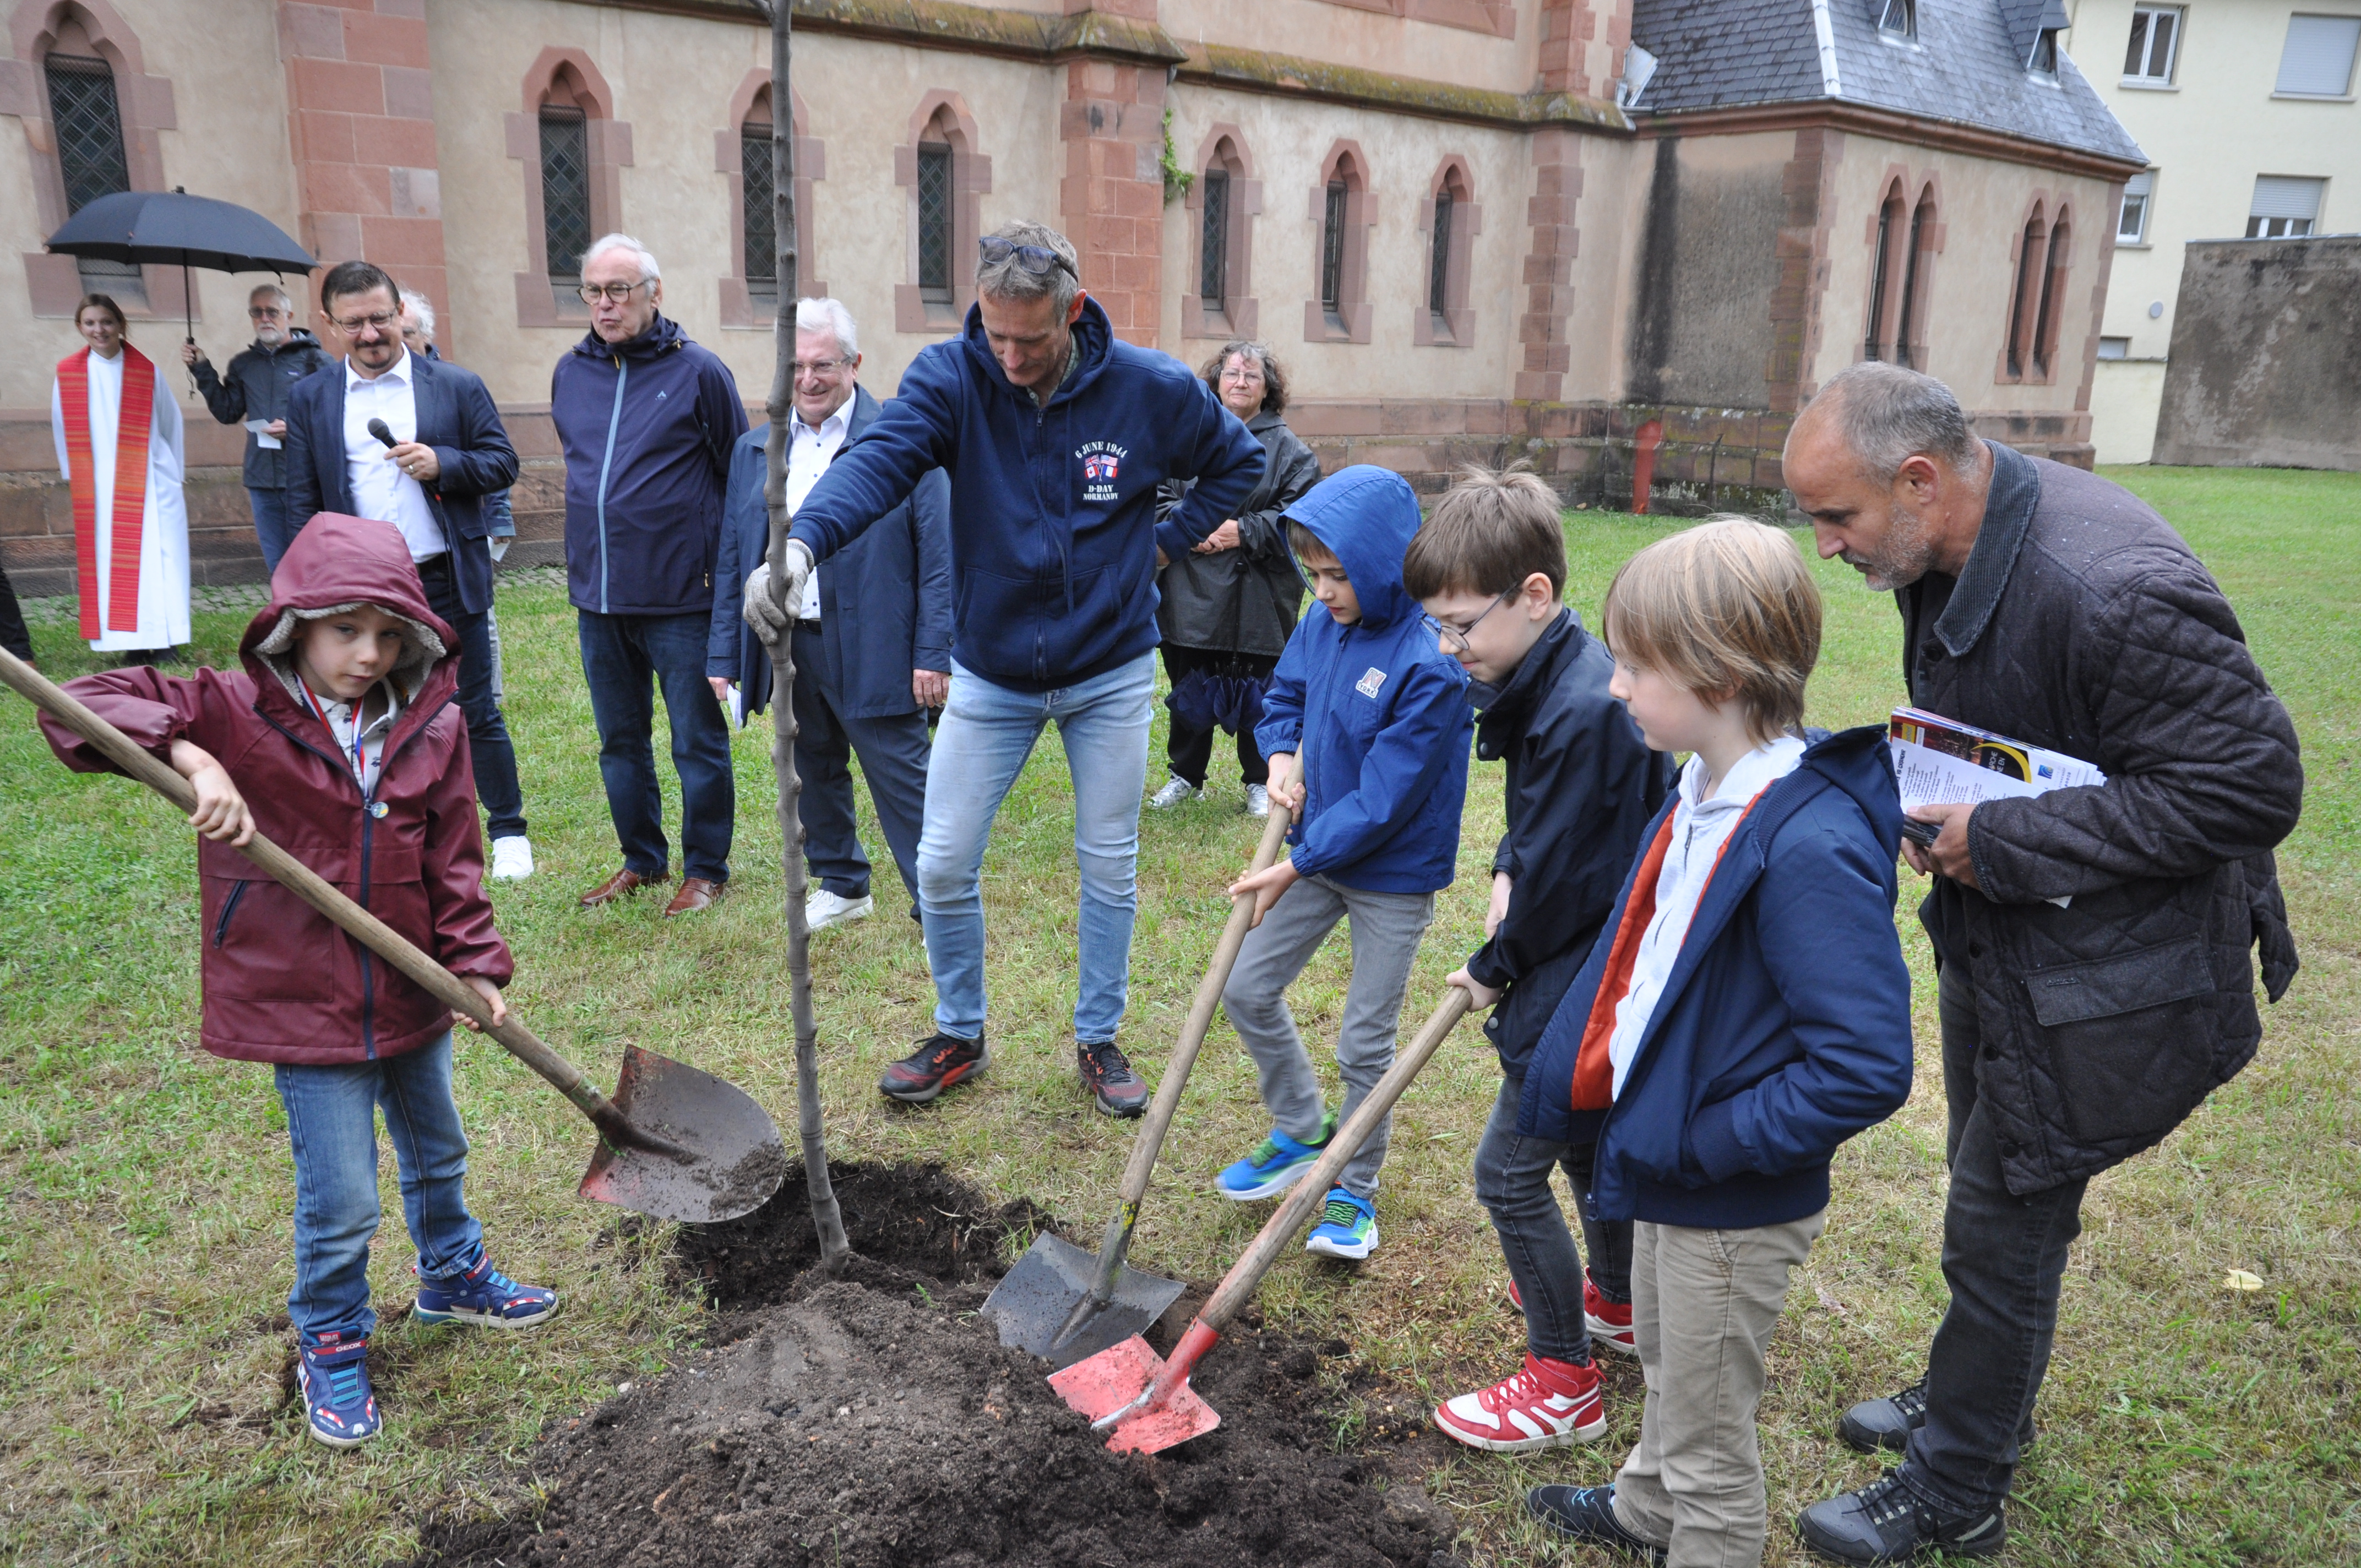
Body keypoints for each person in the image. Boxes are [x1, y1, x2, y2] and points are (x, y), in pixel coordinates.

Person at [1781, 363, 2304, 1563]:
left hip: (2101, 975)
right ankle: (1972, 1390)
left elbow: (2248, 786)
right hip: (2014, 941)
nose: (1823, 546)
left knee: (2001, 1216)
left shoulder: (2105, 588)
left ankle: (1958, 1479)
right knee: (1994, 1194)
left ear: (1919, 481)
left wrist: (2000, 836)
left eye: (1837, 518)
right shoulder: (1960, 540)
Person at [34, 513, 558, 1450]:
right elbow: (80, 703)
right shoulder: (231, 708)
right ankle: (330, 1335)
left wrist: (473, 964)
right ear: (295, 625)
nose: (369, 653)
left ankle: (452, 1274)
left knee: (438, 1147)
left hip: (408, 981)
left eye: (389, 634)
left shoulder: (430, 725)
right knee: (344, 1192)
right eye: (346, 630)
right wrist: (188, 754)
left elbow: (455, 860)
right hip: (299, 997)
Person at [751, 221, 1263, 1115]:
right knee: (943, 860)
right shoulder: (952, 381)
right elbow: (878, 462)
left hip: (1108, 669)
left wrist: (1162, 546)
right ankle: (960, 1031)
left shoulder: (1145, 388)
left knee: (1108, 862)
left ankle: (1098, 1036)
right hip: (989, 672)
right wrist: (801, 546)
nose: (1013, 357)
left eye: (1031, 338)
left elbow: (1237, 461)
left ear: (1072, 310)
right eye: (996, 335)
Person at [1517, 516, 1914, 1567]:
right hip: (1665, 1158)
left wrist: (1705, 1143)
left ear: (1719, 673)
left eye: (1635, 666)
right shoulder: (1697, 786)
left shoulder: (1806, 840)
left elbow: (1865, 1064)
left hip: (1724, 1195)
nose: (1613, 688)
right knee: (1670, 1366)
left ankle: (1693, 1525)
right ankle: (1646, 1508)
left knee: (1708, 1440)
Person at [1403, 465, 1673, 1452]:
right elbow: (1549, 839)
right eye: (1436, 626)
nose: (1448, 646)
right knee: (1583, 1145)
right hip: (1583, 949)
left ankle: (1563, 1378)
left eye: (1461, 624)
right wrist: (1509, 862)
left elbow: (1569, 881)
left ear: (1534, 595)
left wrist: (1493, 959)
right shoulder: (1545, 681)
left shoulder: (1582, 709)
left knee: (1507, 1174)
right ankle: (1618, 1304)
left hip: (1581, 966)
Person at [1212, 464, 1472, 1259]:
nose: (1323, 591)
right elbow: (1285, 696)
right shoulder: (1322, 623)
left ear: (1390, 564)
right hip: (1319, 850)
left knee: (1365, 1041)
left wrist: (1295, 863)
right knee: (1247, 986)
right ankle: (1302, 1129)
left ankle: (1354, 1192)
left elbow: (1386, 800)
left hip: (1390, 873)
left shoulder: (1432, 660)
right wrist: (1282, 755)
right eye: (1313, 574)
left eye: (1340, 575)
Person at [285, 260, 535, 881]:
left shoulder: (454, 385)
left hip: (445, 575)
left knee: (474, 706)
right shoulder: (312, 397)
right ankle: (398, 824)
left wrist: (443, 463)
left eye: (379, 318)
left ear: (400, 313)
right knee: (373, 708)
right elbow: (301, 499)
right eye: (353, 324)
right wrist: (306, 585)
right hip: (361, 588)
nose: (370, 334)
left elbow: (502, 462)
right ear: (328, 325)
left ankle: (507, 831)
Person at [710, 297, 950, 934]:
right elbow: (734, 555)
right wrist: (723, 659)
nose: (808, 379)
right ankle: (842, 882)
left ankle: (939, 907)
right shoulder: (754, 449)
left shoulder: (901, 436)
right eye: (795, 366)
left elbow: (939, 553)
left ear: (854, 365)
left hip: (878, 643)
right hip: (790, 644)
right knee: (809, 768)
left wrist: (934, 651)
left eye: (823, 364)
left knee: (903, 780)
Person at [552, 233, 747, 918]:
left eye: (619, 291)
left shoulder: (699, 372)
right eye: (593, 292)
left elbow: (737, 475)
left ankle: (706, 868)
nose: (604, 306)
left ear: (653, 294)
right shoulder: (569, 373)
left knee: (695, 738)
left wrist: (724, 576)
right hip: (599, 597)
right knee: (619, 740)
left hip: (681, 598)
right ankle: (642, 859)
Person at [1147, 340, 1321, 817]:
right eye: (1232, 374)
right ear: (1216, 381)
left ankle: (1260, 780)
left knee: (1262, 692)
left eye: (1251, 376)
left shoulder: (1292, 452)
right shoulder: (1186, 437)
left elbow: (1298, 516)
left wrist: (1239, 532)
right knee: (1189, 687)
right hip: (1192, 591)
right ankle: (1186, 775)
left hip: (1258, 595)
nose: (1240, 382)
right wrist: (1187, 528)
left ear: (1268, 390)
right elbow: (1157, 494)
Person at [51, 293, 188, 665]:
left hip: (152, 483)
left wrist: (173, 474)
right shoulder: (68, 374)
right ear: (80, 327)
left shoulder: (146, 370)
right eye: (91, 323)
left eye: (107, 322)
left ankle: (166, 639)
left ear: (121, 325)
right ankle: (130, 642)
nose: (99, 330)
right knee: (113, 567)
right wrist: (76, 476)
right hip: (99, 489)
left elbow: (170, 421)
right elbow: (62, 428)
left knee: (162, 562)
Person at [400, 290, 515, 696]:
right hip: (399, 556)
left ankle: (491, 690)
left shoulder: (454, 385)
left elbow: (497, 459)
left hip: (462, 536)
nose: (397, 342)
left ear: (426, 336)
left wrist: (498, 518)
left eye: (407, 333)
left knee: (480, 623)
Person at [180, 282, 333, 573]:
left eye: (272, 311)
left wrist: (296, 429)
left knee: (313, 563)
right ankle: (287, 618)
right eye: (257, 312)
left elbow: (335, 418)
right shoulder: (244, 364)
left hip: (305, 480)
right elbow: (228, 412)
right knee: (278, 567)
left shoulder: (316, 360)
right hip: (262, 481)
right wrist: (201, 367)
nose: (265, 318)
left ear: (289, 315)